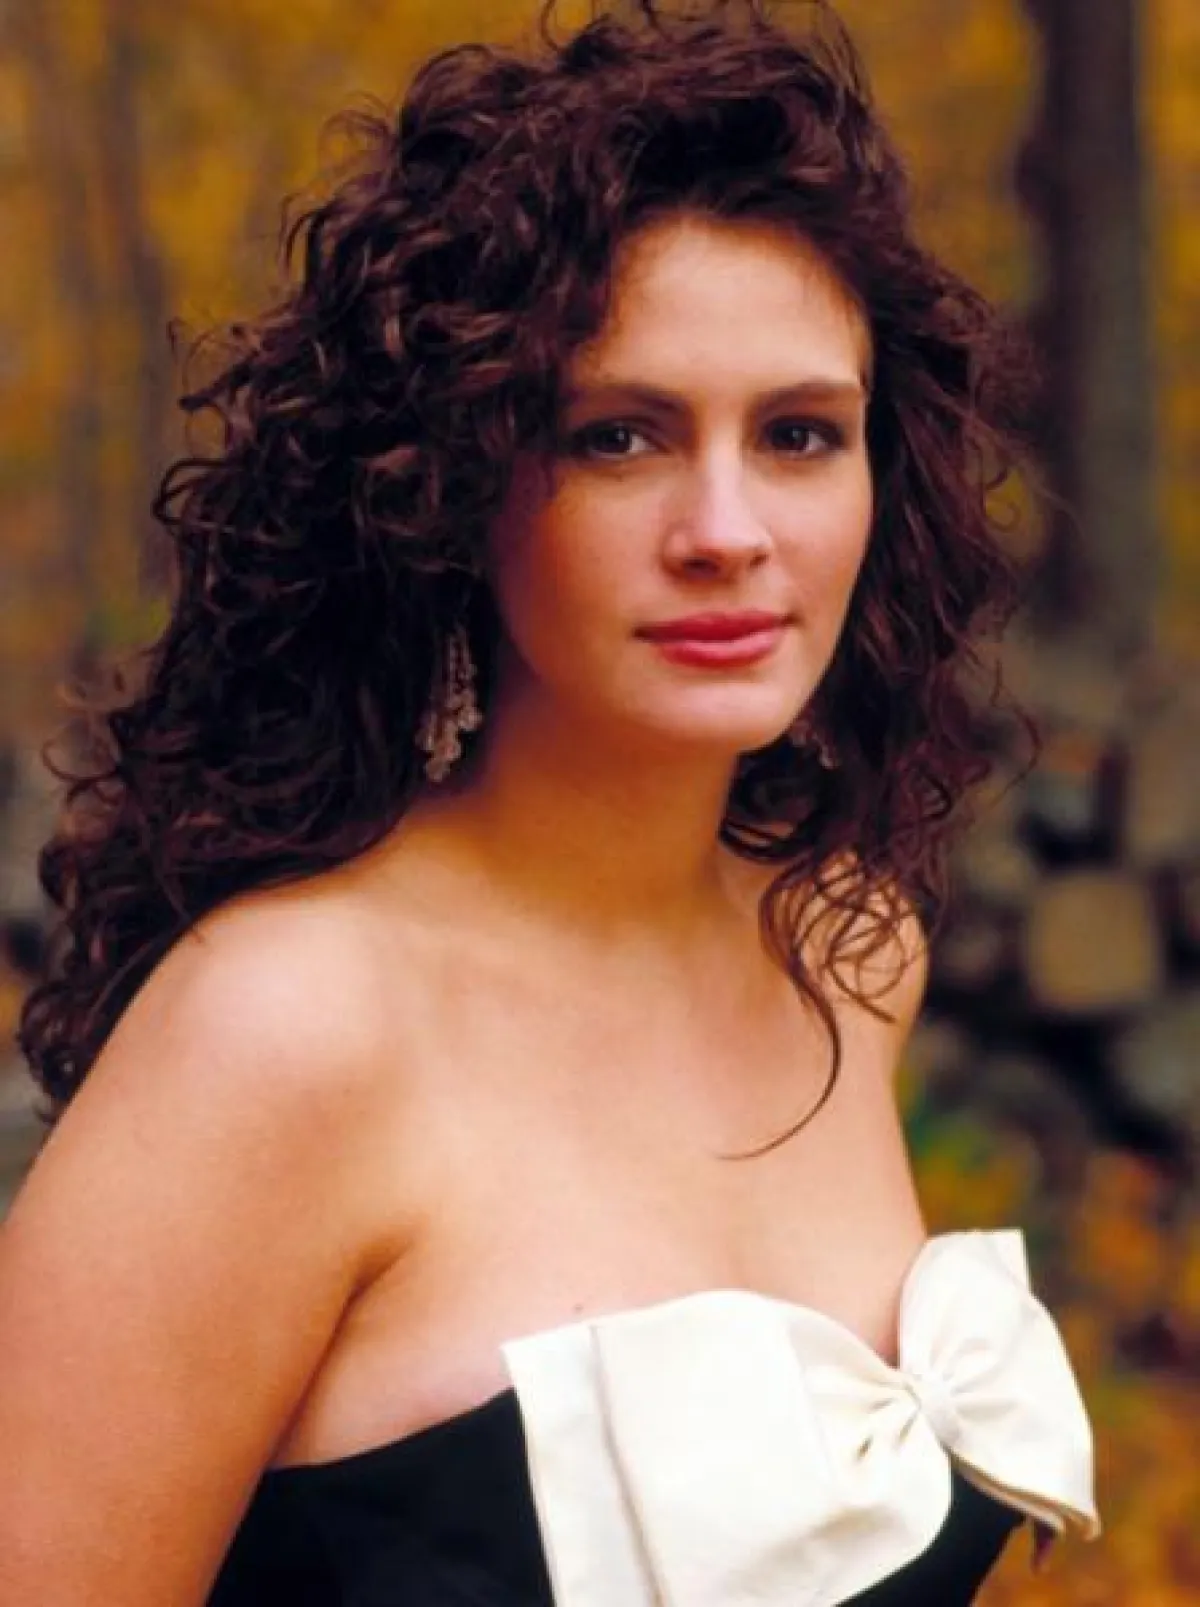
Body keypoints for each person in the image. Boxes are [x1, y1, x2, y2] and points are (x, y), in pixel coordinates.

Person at [1, 1, 1099, 1601]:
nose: (727, 529)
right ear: (450, 486)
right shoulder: (285, 1030)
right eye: (617, 437)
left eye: (799, 433)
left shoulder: (848, 948)